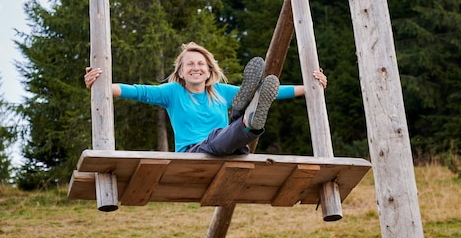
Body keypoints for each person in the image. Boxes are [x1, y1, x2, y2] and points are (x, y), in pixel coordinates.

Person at [84, 42, 327, 155]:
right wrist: (100, 83)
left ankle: (245, 117)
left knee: (242, 112)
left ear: (210, 70)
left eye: (201, 64)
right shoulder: (172, 92)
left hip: (232, 149)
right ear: (180, 72)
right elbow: (137, 91)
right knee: (222, 134)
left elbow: (275, 91)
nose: (196, 67)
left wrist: (311, 87)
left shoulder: (219, 91)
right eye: (189, 64)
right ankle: (246, 120)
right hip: (195, 152)